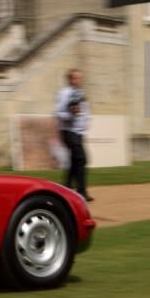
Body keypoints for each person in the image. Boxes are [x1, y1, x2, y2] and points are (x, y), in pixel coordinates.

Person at [55, 69, 91, 201]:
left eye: (79, 78)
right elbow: (58, 113)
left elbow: (85, 111)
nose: (78, 80)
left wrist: (86, 122)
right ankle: (81, 192)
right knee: (81, 159)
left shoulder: (81, 94)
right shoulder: (64, 94)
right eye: (75, 78)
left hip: (78, 132)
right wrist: (70, 115)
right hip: (68, 131)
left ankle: (65, 189)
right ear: (69, 79)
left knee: (75, 161)